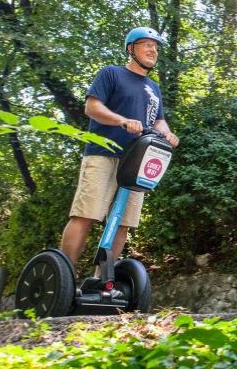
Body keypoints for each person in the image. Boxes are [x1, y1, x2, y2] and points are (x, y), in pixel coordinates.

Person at [60, 27, 180, 272]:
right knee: (86, 215)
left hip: (137, 161)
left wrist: (167, 132)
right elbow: (92, 108)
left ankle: (101, 280)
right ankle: (64, 276)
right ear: (130, 48)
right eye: (147, 45)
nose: (153, 50)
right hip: (104, 153)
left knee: (122, 224)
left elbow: (158, 120)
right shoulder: (111, 74)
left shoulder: (153, 87)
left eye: (156, 47)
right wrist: (122, 121)